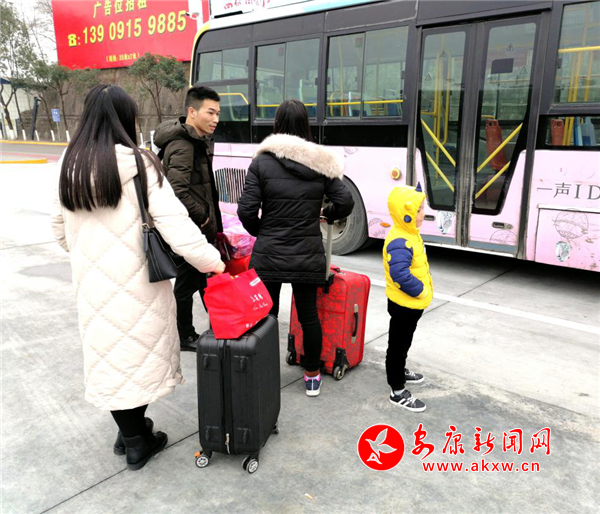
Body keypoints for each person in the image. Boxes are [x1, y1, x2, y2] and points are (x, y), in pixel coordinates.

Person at [51, 84, 225, 471]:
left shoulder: (69, 163)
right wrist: (213, 262)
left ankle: (130, 431)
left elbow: (59, 230)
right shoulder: (139, 164)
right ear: (126, 119)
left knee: (112, 359)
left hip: (92, 286)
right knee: (138, 357)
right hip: (139, 283)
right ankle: (135, 442)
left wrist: (88, 252)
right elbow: (177, 227)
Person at [237, 99, 354, 397]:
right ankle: (312, 376)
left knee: (266, 318)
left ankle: (263, 375)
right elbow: (345, 202)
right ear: (306, 126)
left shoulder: (262, 162)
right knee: (308, 316)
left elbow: (246, 210)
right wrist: (326, 213)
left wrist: (263, 232)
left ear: (277, 124)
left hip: (269, 254)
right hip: (307, 254)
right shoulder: (321, 163)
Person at [154, 85, 223, 352]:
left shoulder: (196, 139)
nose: (215, 119)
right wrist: (203, 217)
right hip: (190, 231)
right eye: (210, 112)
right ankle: (185, 335)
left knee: (204, 280)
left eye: (218, 113)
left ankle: (219, 327)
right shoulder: (184, 144)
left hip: (196, 229)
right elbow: (177, 190)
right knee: (187, 285)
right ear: (192, 112)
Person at [383, 184, 433, 412]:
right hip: (404, 304)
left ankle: (399, 370)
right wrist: (421, 291)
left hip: (410, 305)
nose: (422, 214)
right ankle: (397, 390)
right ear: (405, 214)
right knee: (397, 345)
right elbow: (400, 274)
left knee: (403, 342)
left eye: (422, 209)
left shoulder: (410, 234)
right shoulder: (400, 241)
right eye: (418, 210)